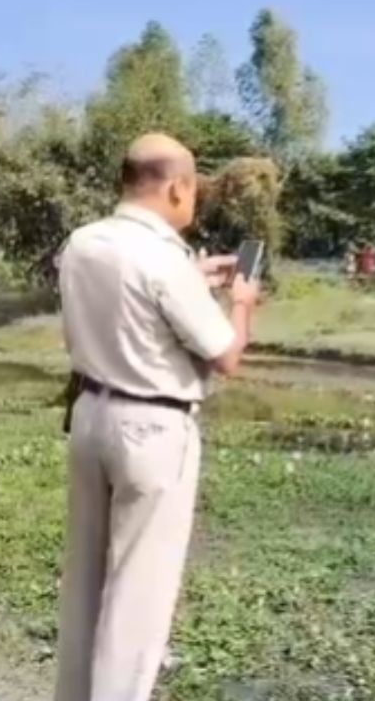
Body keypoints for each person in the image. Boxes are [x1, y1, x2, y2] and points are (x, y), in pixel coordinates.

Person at [53, 133, 261, 701]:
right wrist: (241, 300)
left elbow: (133, 305)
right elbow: (226, 354)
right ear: (176, 188)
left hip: (92, 414)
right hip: (152, 430)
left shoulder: (82, 243)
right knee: (137, 598)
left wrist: (197, 279)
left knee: (86, 586)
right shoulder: (164, 256)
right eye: (192, 191)